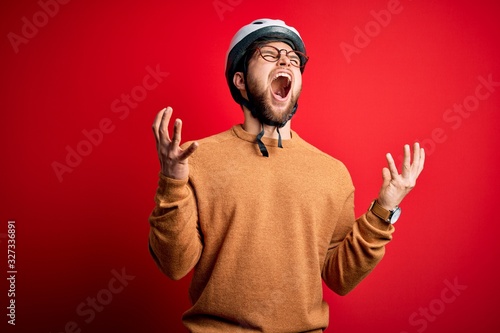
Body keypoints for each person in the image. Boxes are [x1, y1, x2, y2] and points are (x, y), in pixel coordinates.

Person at [148, 18, 425, 332]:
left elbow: (340, 277)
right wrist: (172, 180)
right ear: (239, 80)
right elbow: (174, 265)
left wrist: (383, 210)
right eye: (268, 54)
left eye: (293, 59)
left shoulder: (331, 173)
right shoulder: (195, 159)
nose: (284, 60)